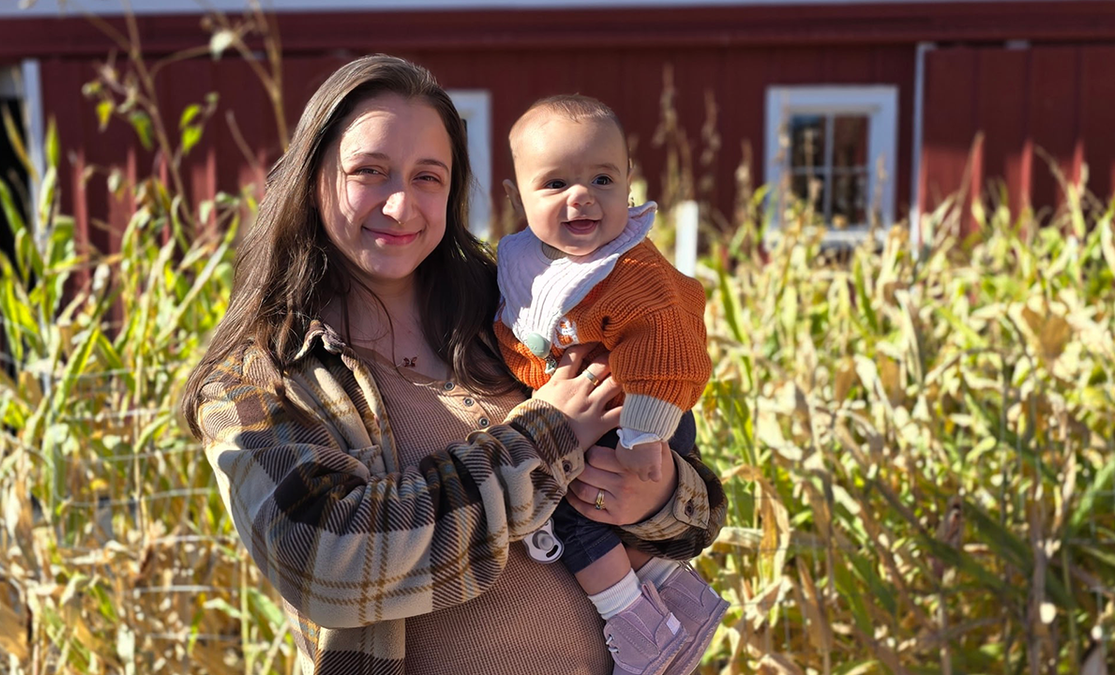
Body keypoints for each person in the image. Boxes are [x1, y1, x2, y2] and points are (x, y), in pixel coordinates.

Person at [181, 54, 727, 675]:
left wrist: (654, 496)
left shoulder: (517, 312)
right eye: (371, 172)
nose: (399, 205)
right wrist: (542, 439)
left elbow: (697, 508)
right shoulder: (260, 377)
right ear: (312, 181)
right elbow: (326, 560)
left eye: (427, 177)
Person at [496, 94, 729, 675]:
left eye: (601, 178)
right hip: (596, 416)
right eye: (554, 184)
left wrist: (646, 437)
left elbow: (667, 347)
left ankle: (636, 624)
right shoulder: (523, 264)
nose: (581, 196)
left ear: (629, 183)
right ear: (515, 196)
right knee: (571, 507)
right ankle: (671, 593)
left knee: (574, 512)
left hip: (641, 412)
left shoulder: (631, 268)